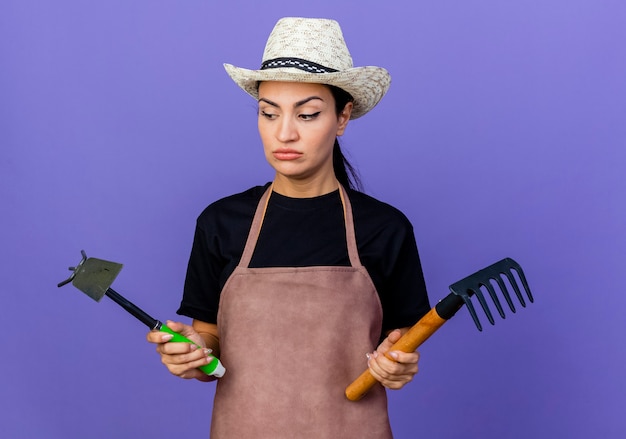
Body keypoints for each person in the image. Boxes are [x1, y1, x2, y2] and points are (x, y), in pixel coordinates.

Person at [146, 17, 431, 438]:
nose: (284, 133)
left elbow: (401, 343)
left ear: (342, 117)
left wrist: (398, 364)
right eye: (268, 112)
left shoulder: (384, 229)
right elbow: (210, 340)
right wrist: (193, 354)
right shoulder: (221, 223)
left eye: (308, 113)